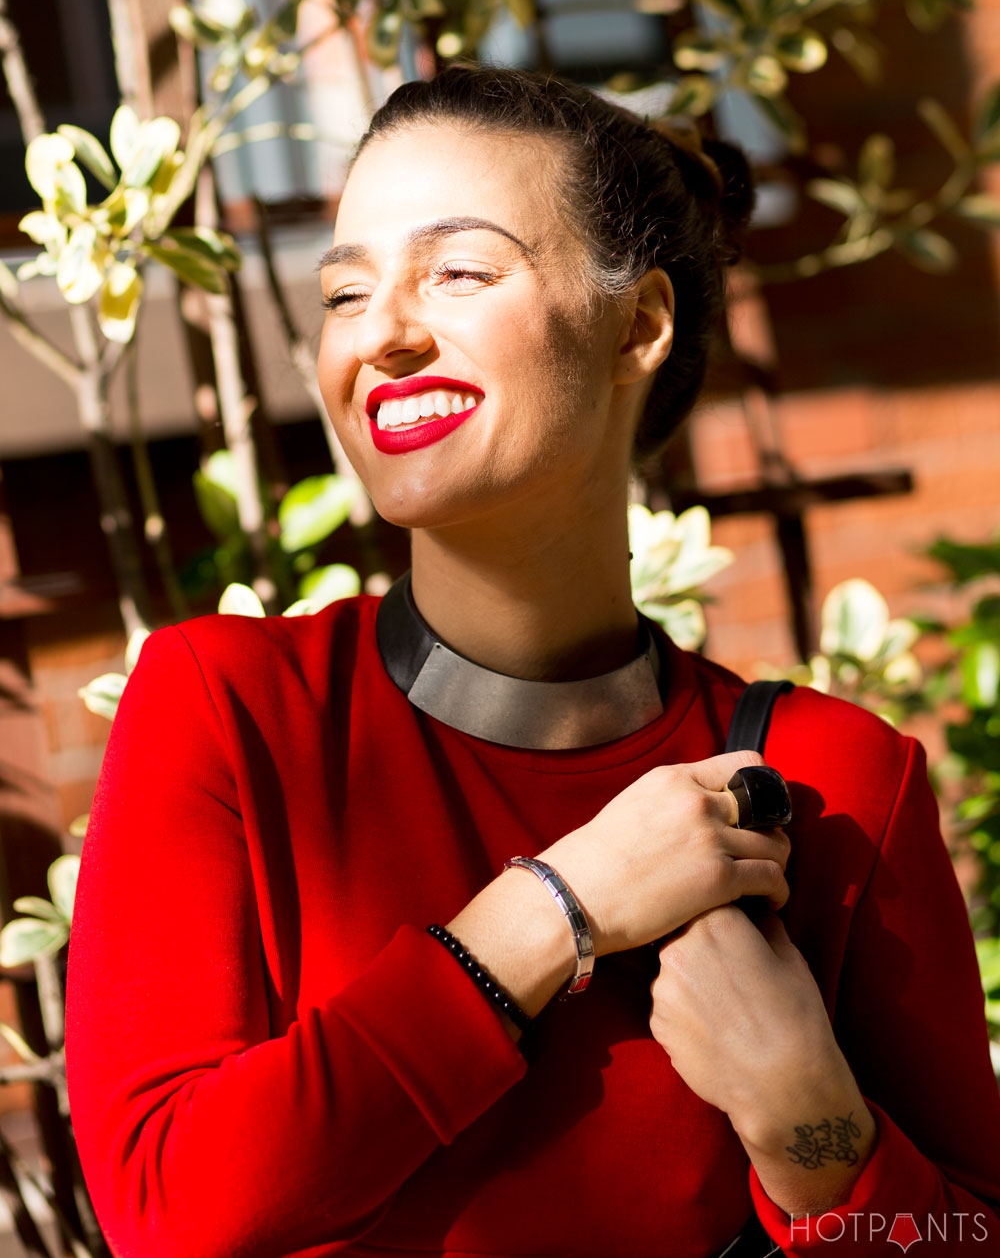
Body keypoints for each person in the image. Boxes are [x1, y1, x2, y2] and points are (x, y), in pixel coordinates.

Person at [64, 66, 1000, 1258]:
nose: (385, 333)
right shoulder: (233, 706)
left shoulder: (831, 783)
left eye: (458, 271)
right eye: (346, 292)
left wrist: (810, 1124)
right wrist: (558, 907)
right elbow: (168, 1209)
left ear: (638, 326)